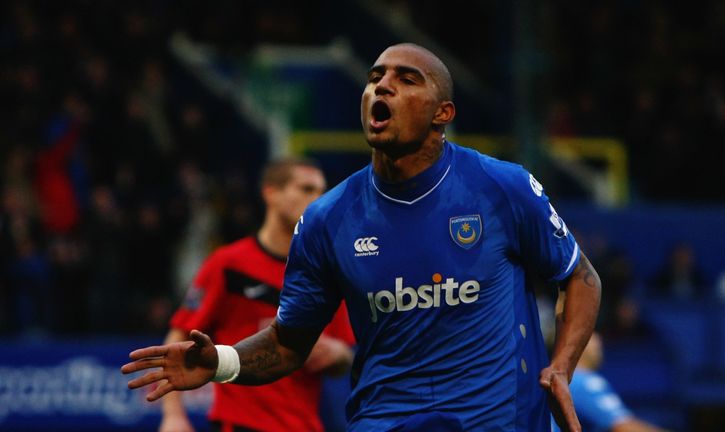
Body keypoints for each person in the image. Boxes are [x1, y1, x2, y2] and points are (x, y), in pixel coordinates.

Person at [122, 43, 601, 432]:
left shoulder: (502, 186)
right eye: (375, 77)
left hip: (497, 421)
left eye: (406, 79)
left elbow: (580, 277)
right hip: (385, 421)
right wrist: (222, 362)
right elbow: (290, 344)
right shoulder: (328, 219)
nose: (382, 86)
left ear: (442, 113)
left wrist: (561, 366)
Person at [159, 158, 356, 432]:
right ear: (271, 193)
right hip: (241, 423)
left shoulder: (326, 273)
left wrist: (338, 354)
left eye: (321, 191)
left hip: (304, 425)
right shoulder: (229, 264)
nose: (317, 199)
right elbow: (178, 337)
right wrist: (173, 416)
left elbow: (345, 355)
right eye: (306, 189)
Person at [552, 333, 667, 432]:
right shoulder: (583, 381)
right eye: (591, 333)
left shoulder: (557, 379)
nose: (599, 341)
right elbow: (623, 427)